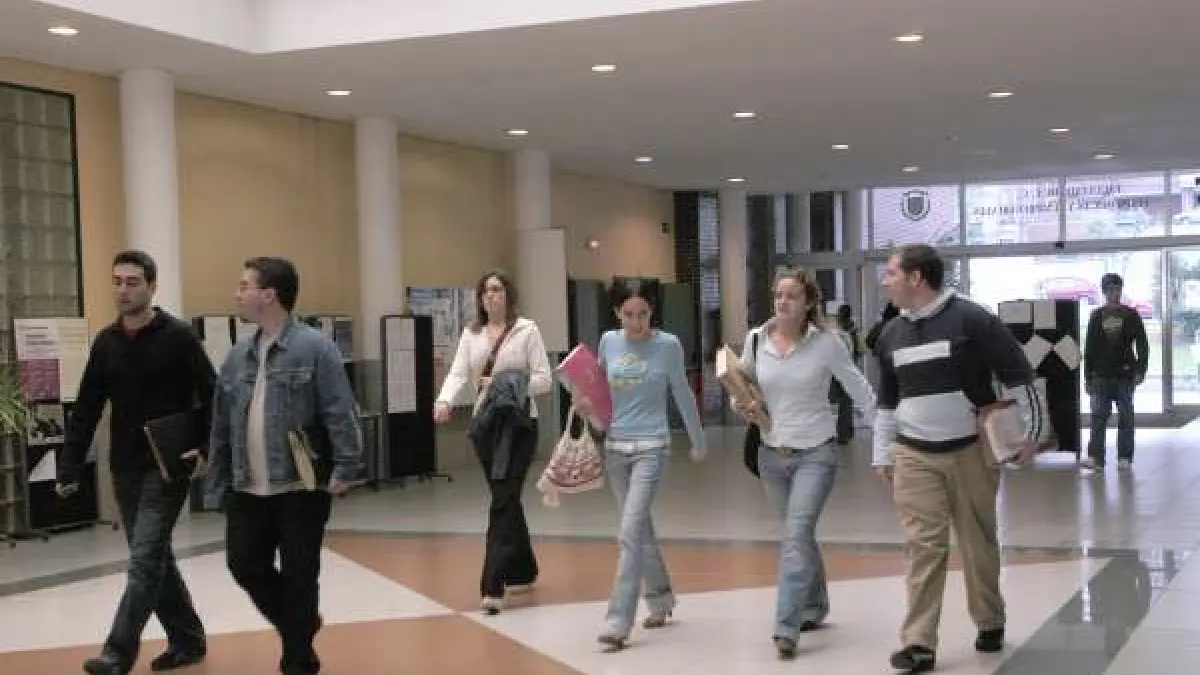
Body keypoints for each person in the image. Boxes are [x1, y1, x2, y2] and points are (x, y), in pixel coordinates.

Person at [871, 244, 1040, 673]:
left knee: (976, 541)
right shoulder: (890, 335)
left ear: (916, 278)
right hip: (913, 453)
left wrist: (1031, 433)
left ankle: (989, 619)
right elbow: (887, 400)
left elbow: (1019, 374)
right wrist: (881, 453)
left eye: (891, 273)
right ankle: (918, 643)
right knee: (922, 546)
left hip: (970, 450)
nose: (884, 281)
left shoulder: (972, 319)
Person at [55, 250, 213, 675]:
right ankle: (188, 639)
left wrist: (205, 448)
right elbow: (87, 408)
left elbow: (213, 394)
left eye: (132, 282)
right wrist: (70, 465)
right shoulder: (106, 343)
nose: (122, 290)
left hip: (168, 466)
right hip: (124, 466)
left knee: (144, 560)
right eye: (117, 282)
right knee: (154, 556)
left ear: (152, 286)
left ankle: (117, 653)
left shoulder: (178, 337)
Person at [205, 257, 363, 675]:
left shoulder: (316, 349)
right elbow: (221, 425)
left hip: (300, 484)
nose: (237, 294)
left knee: (300, 573)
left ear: (269, 295)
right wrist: (218, 480)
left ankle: (298, 657)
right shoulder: (237, 357)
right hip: (247, 486)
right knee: (244, 565)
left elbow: (340, 410)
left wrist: (346, 466)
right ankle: (301, 625)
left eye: (244, 286)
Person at [732, 270, 876, 660]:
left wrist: (886, 442)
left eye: (792, 296)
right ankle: (815, 603)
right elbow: (740, 387)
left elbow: (860, 390)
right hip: (770, 455)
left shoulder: (828, 343)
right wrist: (744, 405)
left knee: (795, 536)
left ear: (809, 302)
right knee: (800, 535)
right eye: (778, 294)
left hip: (816, 453)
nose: (783, 302)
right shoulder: (757, 339)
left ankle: (786, 627)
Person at [574, 278, 707, 651]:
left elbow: (682, 392)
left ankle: (618, 621)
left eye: (644, 314)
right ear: (617, 312)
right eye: (629, 314)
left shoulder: (668, 346)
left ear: (653, 312)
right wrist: (587, 408)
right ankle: (661, 599)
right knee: (640, 530)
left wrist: (698, 440)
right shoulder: (608, 342)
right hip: (616, 449)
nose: (637, 322)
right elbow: (600, 393)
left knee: (629, 532)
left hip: (652, 448)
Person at [433, 270, 552, 615]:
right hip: (486, 425)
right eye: (485, 291)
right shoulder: (471, 334)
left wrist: (507, 383)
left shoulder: (527, 330)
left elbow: (544, 378)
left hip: (519, 425)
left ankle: (493, 585)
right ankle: (524, 568)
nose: (490, 296)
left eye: (497, 290)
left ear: (508, 295)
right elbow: (458, 372)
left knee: (502, 499)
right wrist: (444, 400)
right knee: (506, 498)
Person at [1082, 272, 1148, 471]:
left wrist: (1141, 369)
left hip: (1125, 374)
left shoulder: (1131, 315)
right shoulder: (1096, 316)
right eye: (1110, 289)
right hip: (1100, 375)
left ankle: (1125, 456)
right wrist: (1087, 377)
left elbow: (1142, 344)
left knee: (1126, 416)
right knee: (1098, 416)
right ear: (1104, 292)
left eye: (1117, 289)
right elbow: (1089, 348)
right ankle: (1096, 457)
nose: (1115, 293)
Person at [829, 304, 864, 444]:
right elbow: (861, 350)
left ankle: (842, 432)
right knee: (847, 401)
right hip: (851, 370)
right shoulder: (854, 331)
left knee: (841, 401)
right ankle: (846, 431)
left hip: (836, 371)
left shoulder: (836, 332)